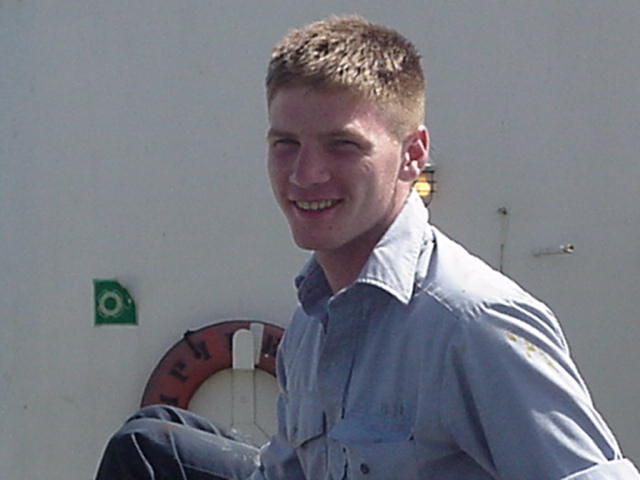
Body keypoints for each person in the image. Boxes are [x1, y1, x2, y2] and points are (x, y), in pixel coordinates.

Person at [95, 15, 640, 479]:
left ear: (412, 153)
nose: (306, 175)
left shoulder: (473, 324)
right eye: (286, 145)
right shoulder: (313, 323)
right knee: (147, 446)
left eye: (343, 146)